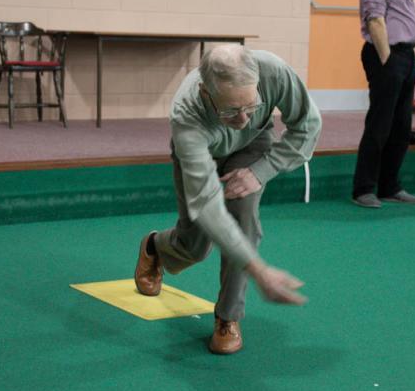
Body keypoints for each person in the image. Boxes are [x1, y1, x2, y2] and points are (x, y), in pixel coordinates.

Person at [134, 44, 322, 354]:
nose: (244, 118)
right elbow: (206, 203)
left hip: (253, 146)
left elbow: (308, 124)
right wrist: (260, 271)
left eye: (251, 105)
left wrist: (262, 170)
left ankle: (227, 317)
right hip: (202, 150)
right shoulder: (186, 115)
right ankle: (155, 246)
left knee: (243, 217)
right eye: (231, 110)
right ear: (206, 94)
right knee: (194, 246)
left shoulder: (273, 72)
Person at [352, 0, 415, 208]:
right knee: (380, 123)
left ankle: (389, 185)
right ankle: (363, 188)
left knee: (401, 125)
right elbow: (376, 18)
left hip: (405, 56)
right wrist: (388, 60)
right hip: (388, 54)